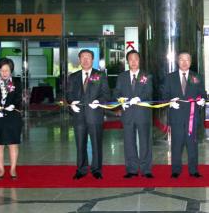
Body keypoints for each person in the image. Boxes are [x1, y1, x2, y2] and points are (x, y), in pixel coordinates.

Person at [66, 49, 110, 180]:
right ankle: (81, 169)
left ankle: (96, 169)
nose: (85, 60)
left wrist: (99, 101)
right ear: (79, 60)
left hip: (95, 115)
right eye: (83, 57)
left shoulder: (100, 75)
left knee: (96, 143)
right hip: (79, 115)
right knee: (80, 144)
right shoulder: (73, 77)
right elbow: (68, 94)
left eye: (88, 57)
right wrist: (71, 103)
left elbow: (107, 95)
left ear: (93, 59)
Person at [162, 52, 207, 178]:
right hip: (176, 116)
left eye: (187, 60)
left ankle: (193, 170)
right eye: (182, 60)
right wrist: (169, 102)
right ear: (178, 61)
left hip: (192, 117)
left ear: (191, 62)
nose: (184, 62)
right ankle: (176, 170)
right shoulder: (170, 77)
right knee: (176, 144)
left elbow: (202, 94)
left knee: (192, 144)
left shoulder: (196, 77)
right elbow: (164, 95)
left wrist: (202, 100)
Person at [113, 50, 154, 178]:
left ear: (139, 60)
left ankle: (146, 169)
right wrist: (120, 100)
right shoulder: (122, 76)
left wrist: (139, 98)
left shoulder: (146, 76)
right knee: (129, 142)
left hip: (143, 113)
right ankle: (132, 169)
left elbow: (149, 92)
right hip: (128, 114)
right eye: (131, 59)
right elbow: (116, 92)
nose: (134, 62)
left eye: (136, 59)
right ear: (127, 62)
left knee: (145, 142)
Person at [0, 58, 23, 180]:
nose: (4, 73)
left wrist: (14, 106)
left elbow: (19, 98)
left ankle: (13, 169)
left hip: (13, 116)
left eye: (7, 70)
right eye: (2, 71)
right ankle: (1, 169)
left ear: (11, 70)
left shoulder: (17, 83)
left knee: (13, 144)